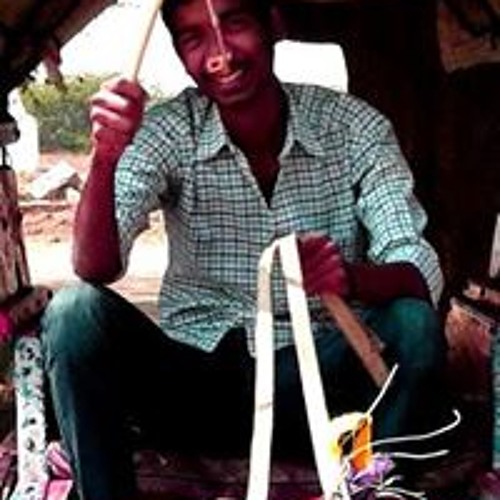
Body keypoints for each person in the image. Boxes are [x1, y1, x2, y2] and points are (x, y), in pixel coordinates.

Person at [41, 0, 448, 498]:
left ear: (274, 24)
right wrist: (105, 158)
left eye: (234, 24)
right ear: (179, 54)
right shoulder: (167, 130)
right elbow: (95, 266)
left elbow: (417, 270)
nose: (220, 56)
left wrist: (349, 277)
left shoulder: (354, 127)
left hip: (323, 393)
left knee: (413, 322)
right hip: (195, 388)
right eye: (194, 39)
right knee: (74, 312)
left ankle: (372, 489)